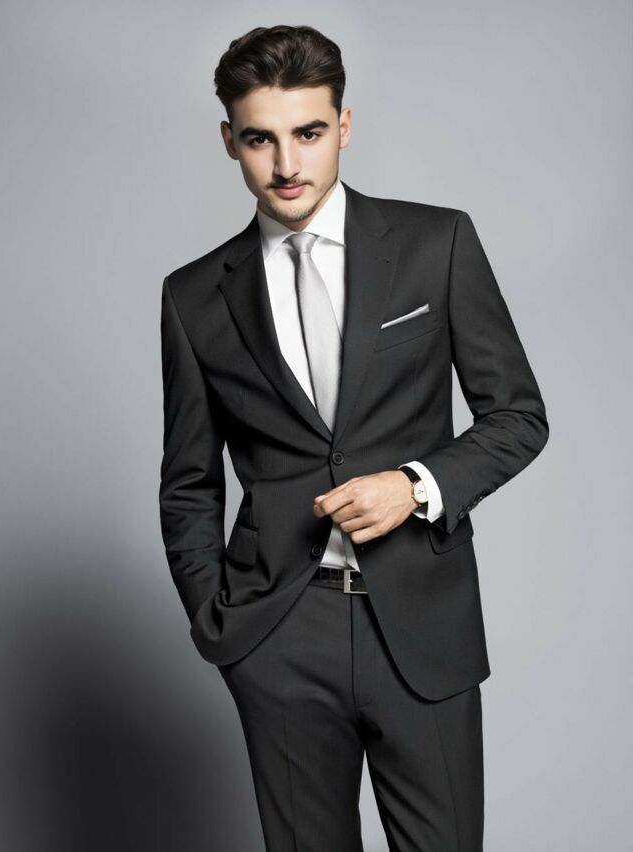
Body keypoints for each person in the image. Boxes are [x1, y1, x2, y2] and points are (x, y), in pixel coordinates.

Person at [158, 24, 549, 852]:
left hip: (422, 625)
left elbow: (518, 415)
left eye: (307, 133)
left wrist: (414, 487)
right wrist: (219, 626)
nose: (286, 164)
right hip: (278, 636)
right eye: (260, 139)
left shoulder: (437, 244)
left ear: (343, 125)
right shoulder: (193, 298)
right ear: (229, 140)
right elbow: (189, 483)